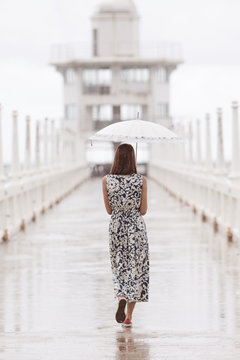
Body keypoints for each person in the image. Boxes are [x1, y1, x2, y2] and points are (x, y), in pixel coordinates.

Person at [102, 143, 149, 328]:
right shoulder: (141, 180)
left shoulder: (106, 180)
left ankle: (121, 294)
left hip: (116, 227)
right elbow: (143, 210)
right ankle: (128, 317)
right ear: (133, 159)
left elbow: (108, 210)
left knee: (120, 265)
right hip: (136, 228)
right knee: (135, 270)